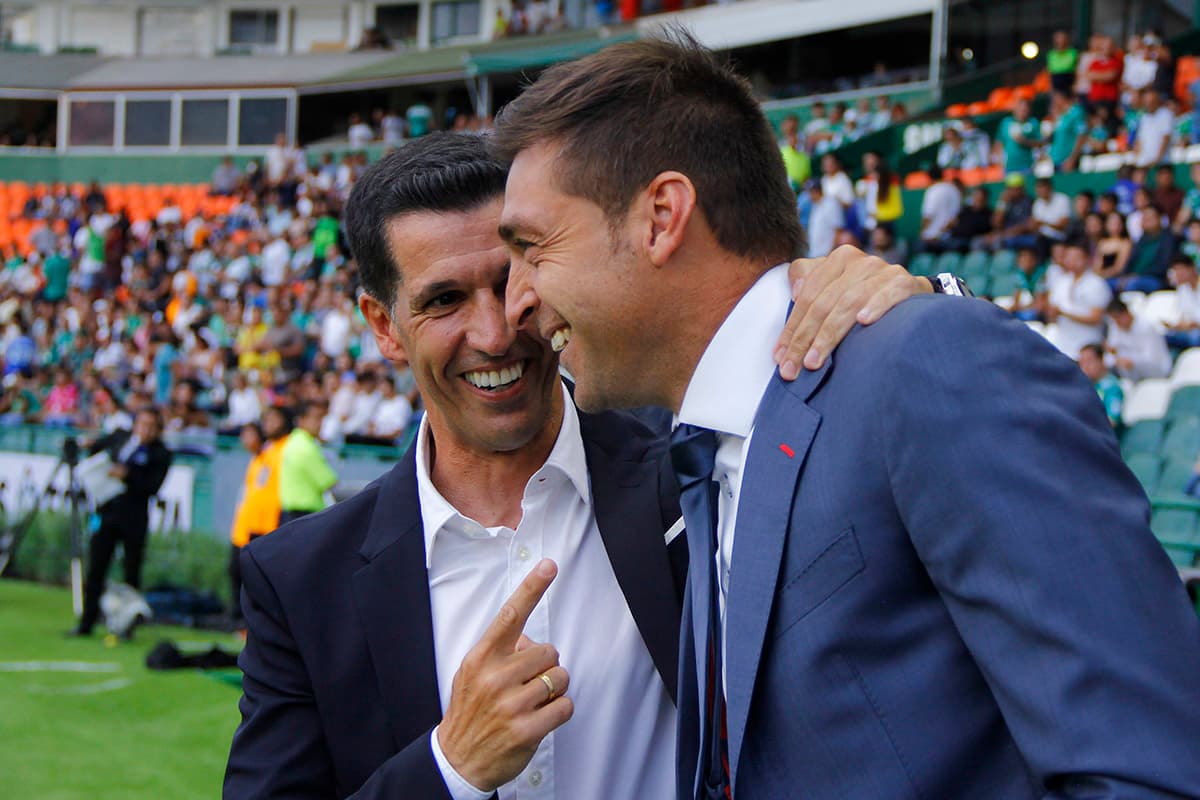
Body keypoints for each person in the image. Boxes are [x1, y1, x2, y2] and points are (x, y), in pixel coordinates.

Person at [494, 35, 1200, 799]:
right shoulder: (692, 449)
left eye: (533, 248)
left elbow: (1145, 770)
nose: (515, 303)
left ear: (662, 217)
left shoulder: (925, 362)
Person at [224, 133, 927, 799]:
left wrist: (898, 303)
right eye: (444, 301)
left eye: (509, 281)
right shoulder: (300, 582)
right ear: (382, 326)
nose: (496, 333)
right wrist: (451, 767)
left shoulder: (700, 470)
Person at [69, 407, 173, 636]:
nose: (145, 430)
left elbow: (152, 487)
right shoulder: (120, 438)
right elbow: (97, 447)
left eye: (151, 426)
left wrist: (127, 476)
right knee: (96, 567)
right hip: (107, 512)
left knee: (131, 572)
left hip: (134, 518)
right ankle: (87, 621)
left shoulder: (161, 454)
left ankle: (127, 625)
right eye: (142, 423)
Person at [228, 421, 283, 626]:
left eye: (249, 434)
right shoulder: (255, 461)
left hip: (260, 527)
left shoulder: (272, 457)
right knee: (235, 572)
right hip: (243, 526)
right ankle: (238, 620)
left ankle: (249, 621)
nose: (245, 439)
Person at [278, 400, 337, 524]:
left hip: (291, 513)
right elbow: (329, 482)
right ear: (301, 421)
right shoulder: (306, 446)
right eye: (316, 418)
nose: (320, 423)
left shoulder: (293, 441)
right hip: (305, 514)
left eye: (321, 418)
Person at [1105, 296, 1172, 380]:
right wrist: (1116, 360)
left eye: (1117, 318)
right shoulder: (1115, 327)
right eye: (1113, 320)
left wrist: (1131, 362)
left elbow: (1152, 358)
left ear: (1126, 313)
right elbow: (1109, 357)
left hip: (1157, 371)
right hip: (1130, 374)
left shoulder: (1146, 327)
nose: (1116, 323)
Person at [1078, 342, 1124, 428]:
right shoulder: (1082, 387)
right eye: (1082, 362)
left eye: (1089, 361)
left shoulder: (1112, 387)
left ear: (1101, 360)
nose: (1085, 366)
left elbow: (1112, 420)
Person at [918, 166, 961, 252]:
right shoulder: (953, 189)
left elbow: (928, 216)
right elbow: (956, 216)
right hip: (950, 236)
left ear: (929, 177)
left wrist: (922, 232)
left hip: (932, 239)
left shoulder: (932, 191)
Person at [1046, 30, 1079, 95]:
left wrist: (1075, 84)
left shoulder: (1073, 53)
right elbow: (1049, 71)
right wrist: (1050, 86)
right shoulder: (1051, 54)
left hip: (1069, 81)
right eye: (1059, 38)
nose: (1061, 41)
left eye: (1063, 39)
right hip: (1055, 81)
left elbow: (1077, 69)